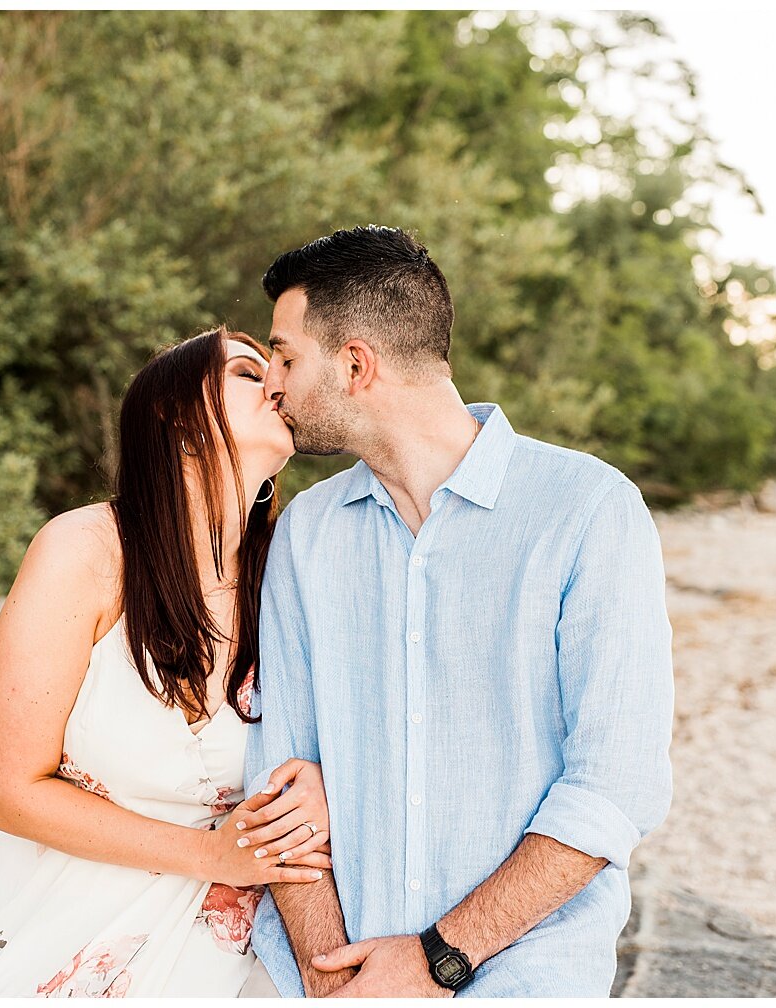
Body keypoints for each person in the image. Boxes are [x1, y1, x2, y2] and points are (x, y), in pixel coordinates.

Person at [239, 226, 675, 997]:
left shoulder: (588, 510)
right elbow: (277, 779)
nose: (271, 383)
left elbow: (615, 785)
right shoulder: (307, 534)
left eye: (284, 355)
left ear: (354, 364)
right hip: (330, 977)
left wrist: (441, 957)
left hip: (525, 976)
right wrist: (329, 972)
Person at [0, 327, 334, 997]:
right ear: (175, 416)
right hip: (64, 925)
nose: (277, 381)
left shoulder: (297, 572)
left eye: (280, 368)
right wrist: (212, 855)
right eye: (246, 371)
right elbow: (10, 790)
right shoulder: (85, 550)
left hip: (237, 944)